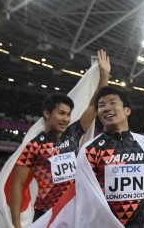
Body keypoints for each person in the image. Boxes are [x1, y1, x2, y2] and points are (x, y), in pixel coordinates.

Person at [31, 86, 144, 227]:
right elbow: (84, 200)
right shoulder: (89, 150)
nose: (106, 108)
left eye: (112, 103)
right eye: (101, 105)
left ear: (127, 110)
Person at [9, 49, 111, 227]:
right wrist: (17, 225)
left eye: (69, 114)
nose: (66, 119)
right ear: (47, 113)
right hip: (46, 215)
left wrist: (105, 74)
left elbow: (95, 105)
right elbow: (16, 185)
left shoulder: (73, 133)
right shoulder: (33, 146)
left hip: (74, 210)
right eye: (61, 113)